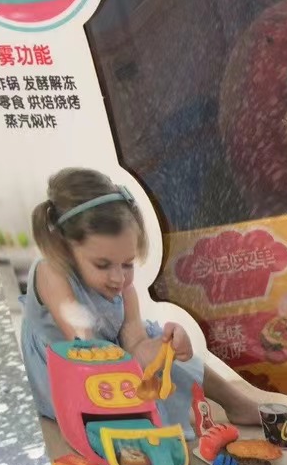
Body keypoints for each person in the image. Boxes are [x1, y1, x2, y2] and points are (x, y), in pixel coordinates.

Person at [20, 167, 263, 433]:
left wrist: (165, 347)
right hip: (73, 371)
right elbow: (86, 348)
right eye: (102, 265)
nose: (118, 278)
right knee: (127, 421)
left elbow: (135, 346)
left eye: (127, 264)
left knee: (163, 347)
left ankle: (236, 403)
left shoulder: (123, 287)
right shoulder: (50, 273)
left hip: (108, 361)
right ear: (64, 248)